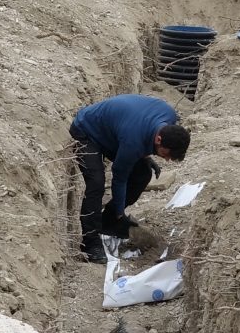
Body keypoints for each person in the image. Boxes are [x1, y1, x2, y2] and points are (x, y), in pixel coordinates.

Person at [69, 94, 191, 264]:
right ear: (159, 139)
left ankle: (108, 222)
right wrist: (120, 212)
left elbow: (142, 131)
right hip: (87, 131)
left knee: (143, 173)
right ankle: (90, 243)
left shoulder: (169, 116)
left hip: (114, 133)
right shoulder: (133, 142)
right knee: (96, 183)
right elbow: (119, 178)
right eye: (166, 154)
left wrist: (146, 156)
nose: (168, 159)